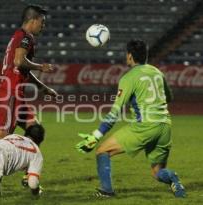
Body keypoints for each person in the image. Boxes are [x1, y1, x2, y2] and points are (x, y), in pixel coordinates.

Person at [75, 39, 186, 198]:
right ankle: (173, 179)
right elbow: (169, 97)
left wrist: (96, 136)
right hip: (165, 127)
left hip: (144, 126)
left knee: (102, 151)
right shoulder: (157, 72)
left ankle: (107, 191)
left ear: (129, 56)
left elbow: (114, 113)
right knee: (157, 172)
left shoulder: (129, 77)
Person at [0, 4, 57, 143]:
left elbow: (22, 70)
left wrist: (42, 88)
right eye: (42, 22)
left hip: (17, 94)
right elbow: (19, 61)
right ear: (33, 20)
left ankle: (26, 163)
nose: (43, 26)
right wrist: (41, 67)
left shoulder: (19, 36)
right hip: (11, 92)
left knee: (35, 132)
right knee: (2, 139)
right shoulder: (26, 38)